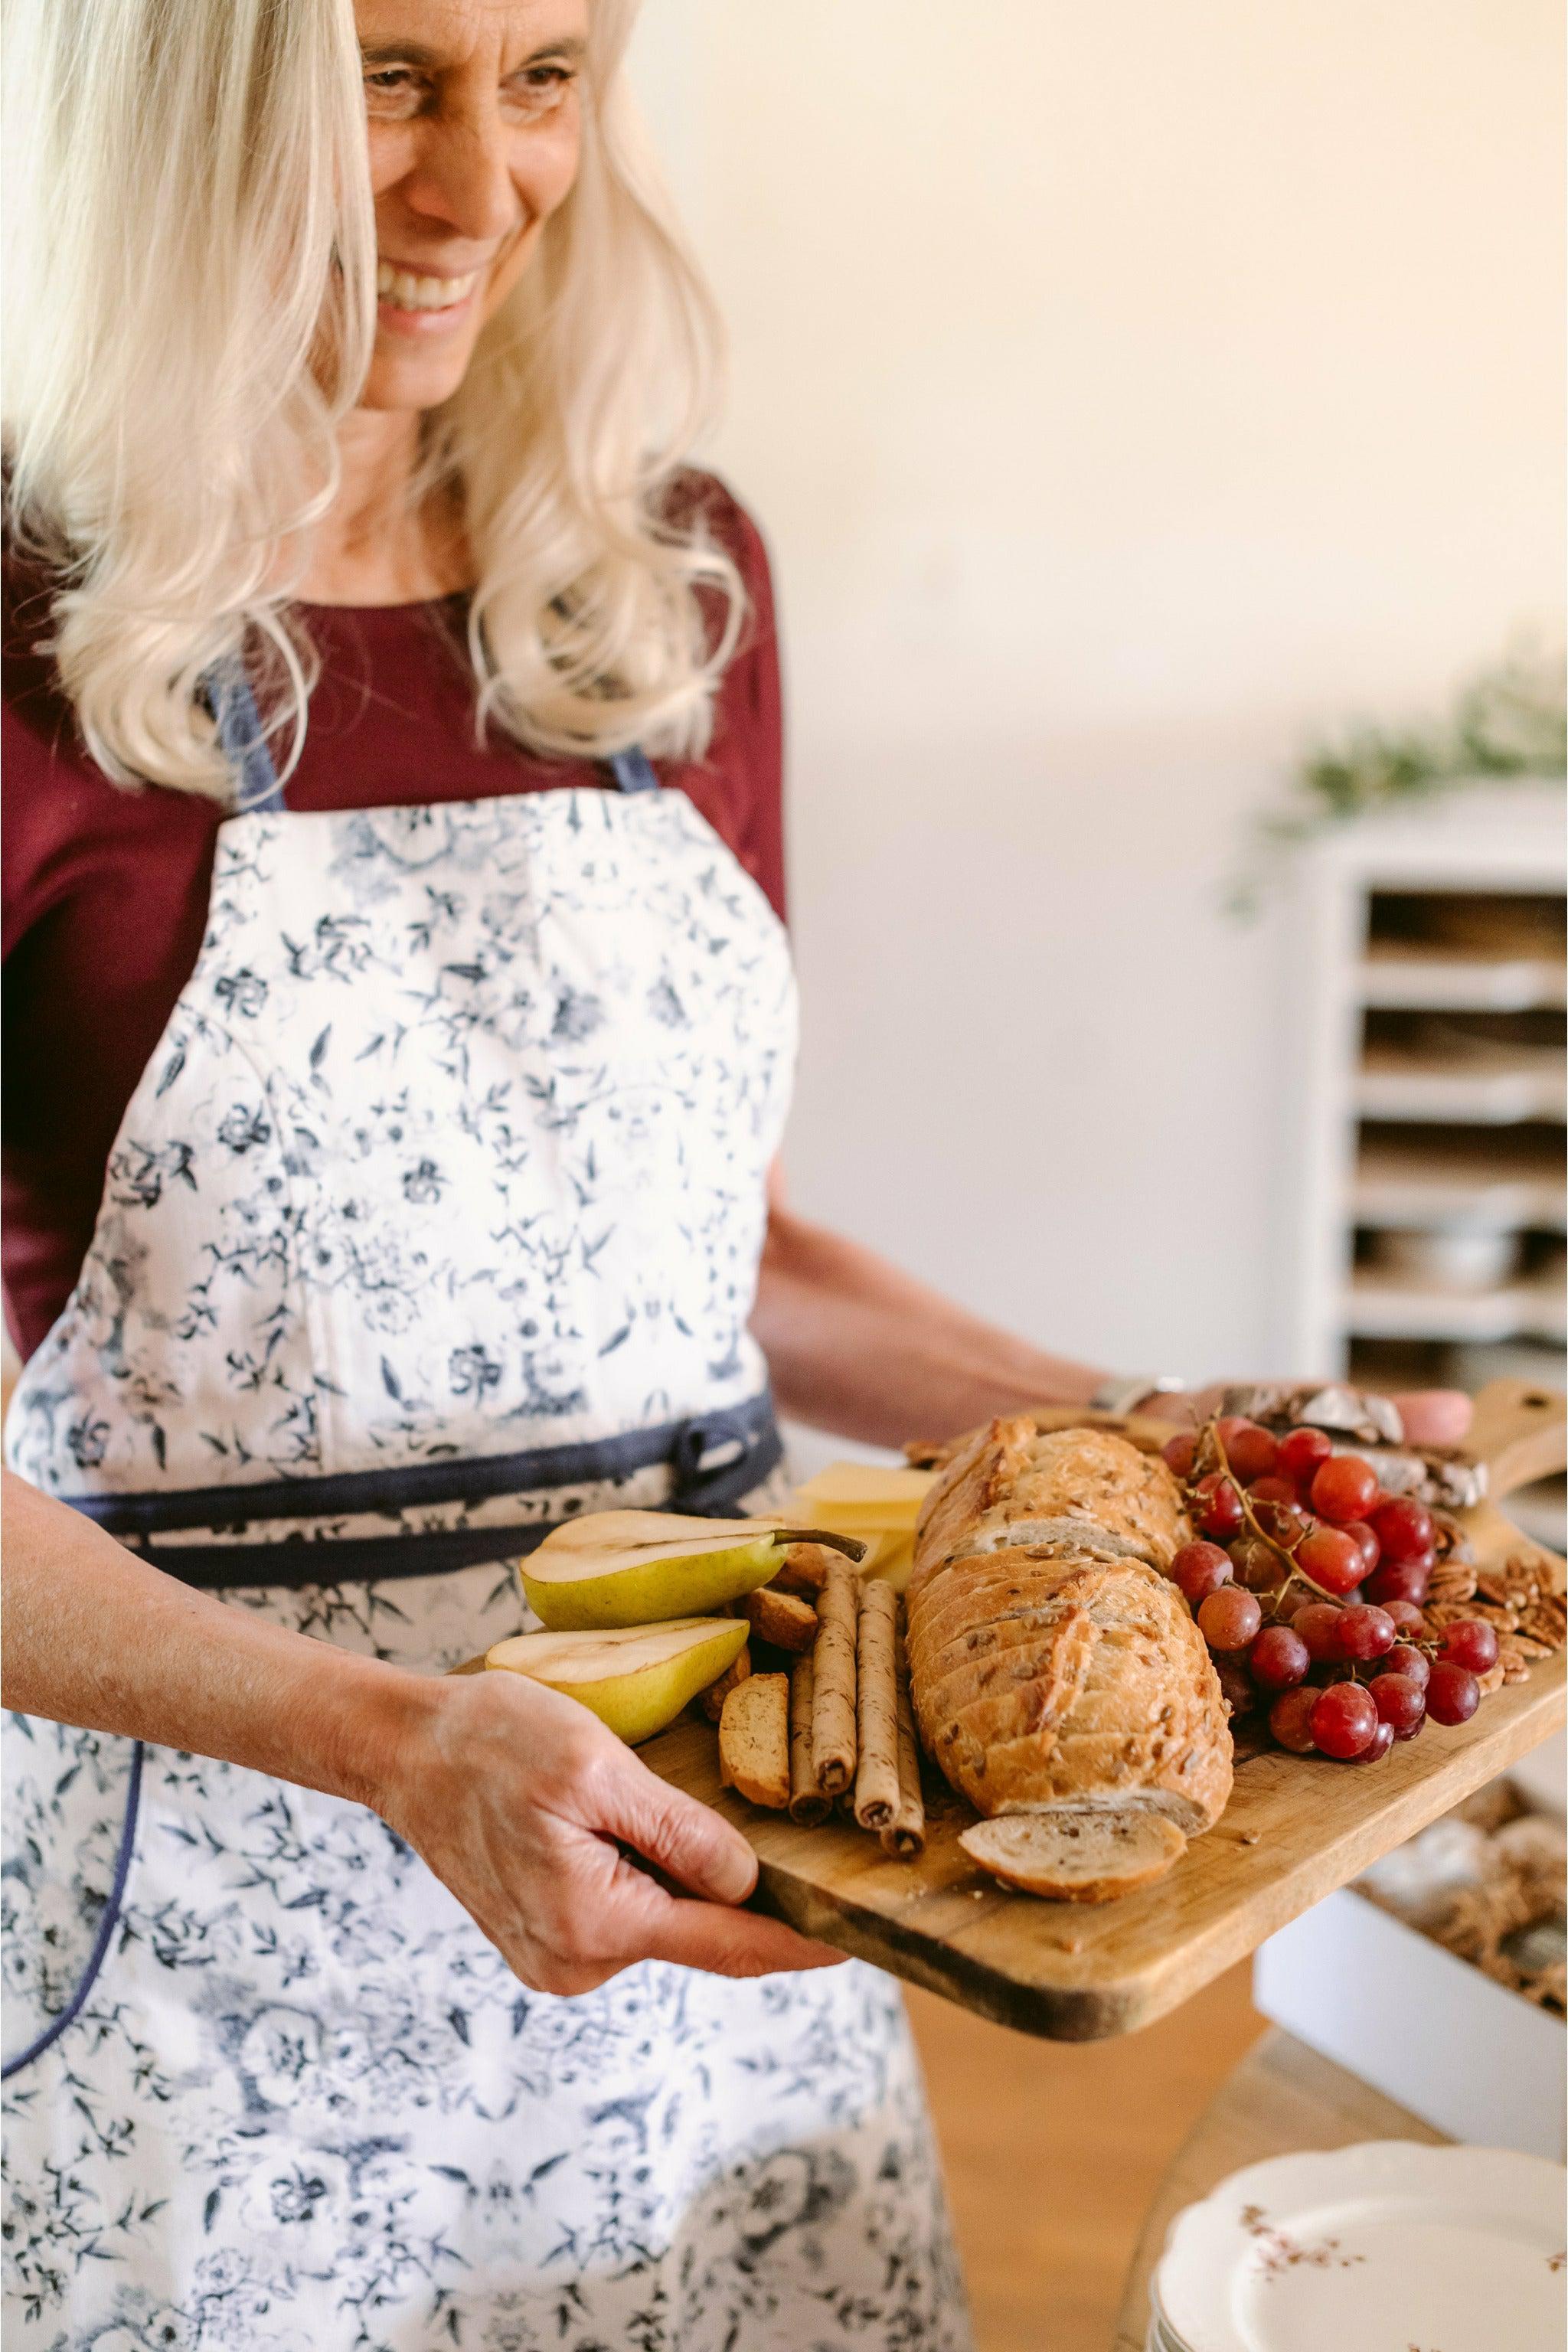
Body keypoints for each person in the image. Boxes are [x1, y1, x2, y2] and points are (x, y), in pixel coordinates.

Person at [0, 3, 1470, 2345]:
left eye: (549, 72)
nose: (482, 187)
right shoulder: (21, 628)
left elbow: (727, 1255)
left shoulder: (657, 580)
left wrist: (1161, 1429)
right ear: (171, 100)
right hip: (222, 1936)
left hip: (736, 1873)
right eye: (384, 80)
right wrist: (394, 1745)